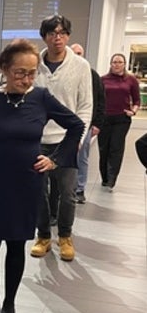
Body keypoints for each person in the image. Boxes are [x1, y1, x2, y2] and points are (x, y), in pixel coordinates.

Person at [0, 39, 83, 313]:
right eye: (20, 72)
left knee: (17, 244)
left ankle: (9, 302)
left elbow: (75, 125)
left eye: (32, 73)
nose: (26, 79)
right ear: (5, 69)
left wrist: (55, 160)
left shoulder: (42, 97)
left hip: (25, 183)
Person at [31, 14, 92, 261]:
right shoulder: (34, 64)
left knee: (67, 193)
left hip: (67, 139)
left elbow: (85, 106)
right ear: (44, 36)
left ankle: (65, 236)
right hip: (36, 139)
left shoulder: (80, 66)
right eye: (53, 33)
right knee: (38, 192)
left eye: (63, 33)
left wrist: (79, 137)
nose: (58, 38)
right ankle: (43, 235)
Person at [98, 53, 140, 190]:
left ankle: (112, 179)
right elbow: (97, 99)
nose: (117, 64)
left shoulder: (131, 80)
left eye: (120, 62)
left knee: (116, 148)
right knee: (104, 149)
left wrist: (133, 111)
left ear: (124, 64)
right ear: (110, 64)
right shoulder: (103, 79)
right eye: (114, 62)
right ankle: (104, 177)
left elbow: (137, 100)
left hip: (121, 119)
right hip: (105, 118)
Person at [70, 43, 105, 204]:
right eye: (74, 53)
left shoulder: (93, 75)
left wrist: (97, 123)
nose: (77, 56)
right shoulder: (66, 73)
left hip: (86, 123)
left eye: (79, 53)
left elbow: (100, 101)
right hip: (66, 124)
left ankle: (80, 188)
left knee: (81, 157)